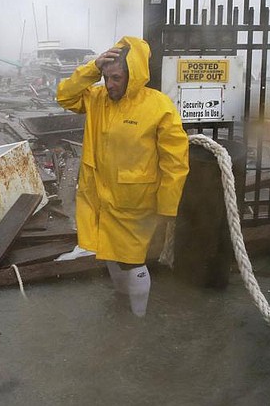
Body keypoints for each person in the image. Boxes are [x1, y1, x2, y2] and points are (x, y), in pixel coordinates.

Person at [55, 36, 189, 317]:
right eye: (106, 77)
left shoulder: (159, 106)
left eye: (116, 77)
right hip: (98, 198)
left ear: (135, 75)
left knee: (131, 261)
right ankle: (120, 303)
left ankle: (137, 319)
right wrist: (92, 68)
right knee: (108, 253)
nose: (110, 84)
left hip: (134, 202)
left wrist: (167, 207)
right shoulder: (96, 99)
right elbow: (64, 95)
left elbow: (175, 161)